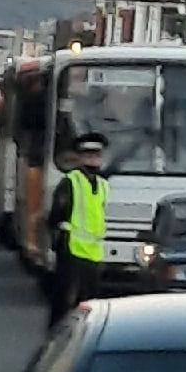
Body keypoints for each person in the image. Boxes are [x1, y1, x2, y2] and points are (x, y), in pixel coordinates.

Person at [46, 132, 110, 329]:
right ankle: (57, 335)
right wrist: (57, 244)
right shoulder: (70, 182)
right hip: (71, 250)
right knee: (64, 300)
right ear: (80, 157)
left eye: (97, 154)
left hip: (93, 253)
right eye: (88, 155)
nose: (93, 159)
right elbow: (56, 217)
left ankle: (83, 334)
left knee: (90, 303)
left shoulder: (103, 185)